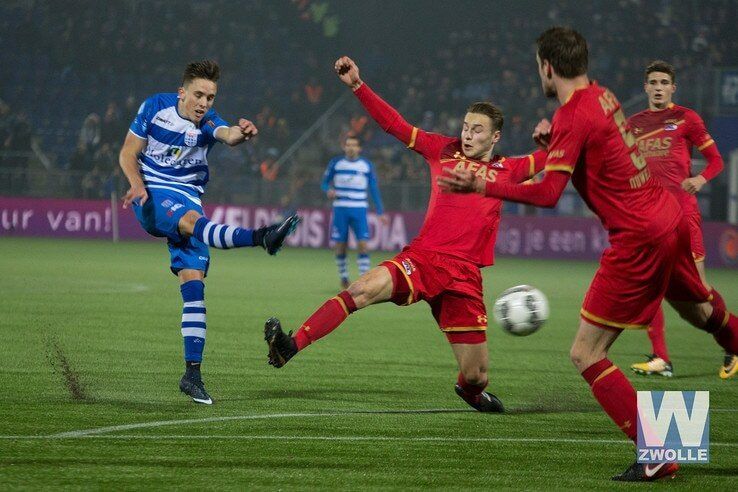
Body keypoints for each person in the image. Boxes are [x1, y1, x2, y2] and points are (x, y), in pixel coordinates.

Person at [438, 27, 738, 481]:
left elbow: (549, 194)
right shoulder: (602, 96)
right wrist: (553, 146)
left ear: (547, 67)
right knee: (700, 310)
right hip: (666, 216)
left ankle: (657, 454)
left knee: (586, 353)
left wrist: (481, 183)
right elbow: (599, 154)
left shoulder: (573, 116)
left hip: (638, 238)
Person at [264, 56, 546, 413]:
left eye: (477, 129)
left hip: (465, 277)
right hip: (423, 259)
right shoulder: (443, 149)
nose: (468, 134)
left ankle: (471, 393)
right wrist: (357, 85)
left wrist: (554, 139)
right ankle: (291, 345)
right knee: (360, 289)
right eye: (465, 126)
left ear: (495, 136)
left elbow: (555, 158)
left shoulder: (511, 169)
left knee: (475, 376)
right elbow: (395, 124)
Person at [119, 60, 300, 405]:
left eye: (211, 97)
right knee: (190, 222)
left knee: (194, 287)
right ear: (182, 93)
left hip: (189, 199)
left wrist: (241, 132)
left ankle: (192, 375)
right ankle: (262, 237)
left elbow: (227, 134)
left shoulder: (209, 123)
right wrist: (135, 183)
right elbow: (128, 152)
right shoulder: (154, 107)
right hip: (153, 194)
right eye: (199, 95)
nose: (204, 103)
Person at [627, 60, 736, 379]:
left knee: (699, 292)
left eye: (664, 82)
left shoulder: (687, 118)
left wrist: (701, 180)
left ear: (673, 87)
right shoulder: (632, 124)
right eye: (653, 82)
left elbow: (716, 160)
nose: (658, 87)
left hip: (682, 215)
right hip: (648, 217)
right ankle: (661, 358)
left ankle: (730, 342)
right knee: (649, 286)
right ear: (645, 87)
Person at [321, 134, 387, 288]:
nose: (350, 148)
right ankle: (344, 277)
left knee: (363, 244)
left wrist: (380, 211)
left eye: (353, 145)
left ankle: (364, 279)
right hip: (340, 209)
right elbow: (324, 183)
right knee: (340, 244)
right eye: (348, 145)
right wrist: (328, 190)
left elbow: (373, 189)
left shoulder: (366, 165)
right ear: (344, 147)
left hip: (359, 209)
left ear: (359, 148)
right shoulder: (335, 163)